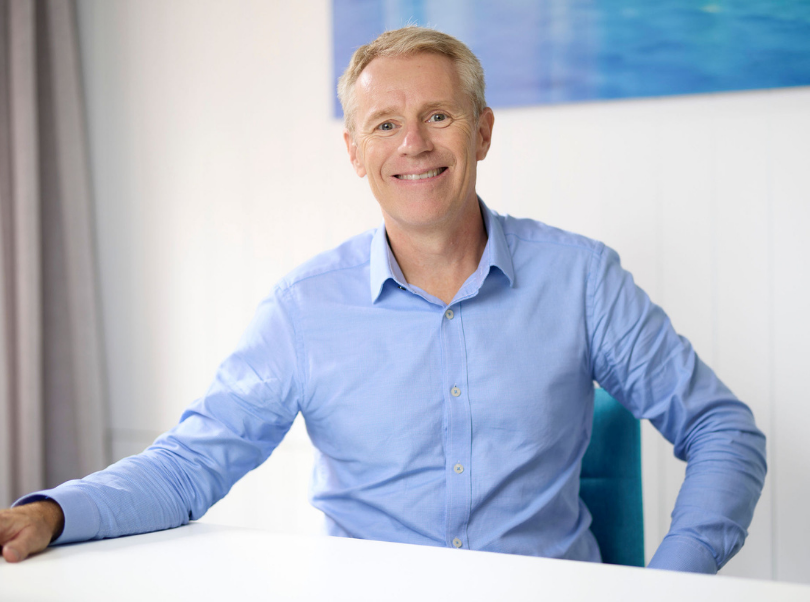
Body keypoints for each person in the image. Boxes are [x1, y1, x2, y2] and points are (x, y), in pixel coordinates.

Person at [0, 26, 766, 573]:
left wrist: (669, 590)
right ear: (355, 150)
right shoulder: (304, 310)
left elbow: (722, 429)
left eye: (439, 116)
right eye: (386, 124)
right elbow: (186, 468)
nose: (415, 145)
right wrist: (53, 513)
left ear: (483, 131)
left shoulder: (582, 279)